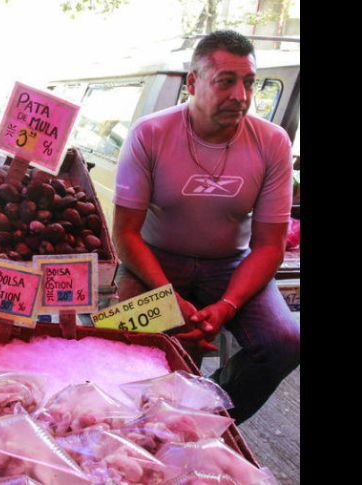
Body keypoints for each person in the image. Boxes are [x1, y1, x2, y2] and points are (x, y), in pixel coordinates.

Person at [111, 30, 300, 424]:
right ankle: (128, 426)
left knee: (285, 342)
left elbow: (269, 245)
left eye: (249, 82)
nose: (241, 96)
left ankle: (202, 418)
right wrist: (167, 299)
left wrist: (227, 305)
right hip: (153, 264)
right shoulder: (151, 133)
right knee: (122, 344)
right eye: (226, 81)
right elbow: (126, 232)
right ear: (193, 83)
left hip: (231, 265)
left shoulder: (273, 143)